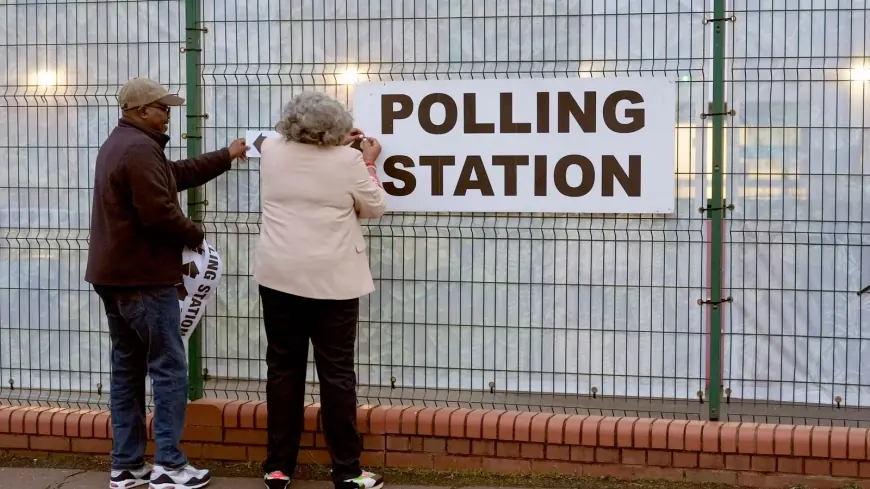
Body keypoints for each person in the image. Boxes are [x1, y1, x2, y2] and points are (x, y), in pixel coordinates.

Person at [84, 77, 248, 489]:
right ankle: (170, 466)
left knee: (127, 368)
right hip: (144, 277)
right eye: (161, 106)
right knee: (170, 369)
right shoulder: (140, 149)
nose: (168, 112)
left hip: (114, 276)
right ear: (139, 111)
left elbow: (174, 175)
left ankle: (127, 465)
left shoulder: (123, 144)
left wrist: (226, 156)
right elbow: (157, 212)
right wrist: (195, 236)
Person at [254, 91, 387, 489]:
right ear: (336, 130)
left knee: (283, 371)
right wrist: (366, 160)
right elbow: (375, 205)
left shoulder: (273, 151)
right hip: (333, 280)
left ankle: (278, 467)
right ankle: (347, 470)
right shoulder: (348, 161)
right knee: (336, 374)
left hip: (279, 276)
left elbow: (299, 158)